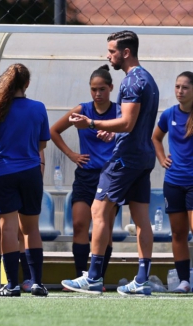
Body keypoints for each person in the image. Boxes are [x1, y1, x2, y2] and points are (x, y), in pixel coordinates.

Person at [62, 30, 159, 296]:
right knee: (141, 218)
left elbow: (127, 122)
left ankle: (93, 277)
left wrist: (91, 123)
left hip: (125, 158)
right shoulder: (148, 79)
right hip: (142, 155)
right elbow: (133, 124)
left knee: (98, 210)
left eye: (112, 51)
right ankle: (141, 280)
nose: (109, 56)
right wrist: (113, 130)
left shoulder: (130, 82)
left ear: (126, 52)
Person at [0, 63, 50, 297]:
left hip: (3, 172)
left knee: (8, 229)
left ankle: (11, 284)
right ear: (27, 84)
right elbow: (42, 144)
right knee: (31, 229)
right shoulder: (38, 108)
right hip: (31, 172)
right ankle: (37, 283)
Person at [50, 65, 117, 288]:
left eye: (102, 89)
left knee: (104, 228)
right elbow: (53, 131)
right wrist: (71, 155)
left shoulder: (119, 112)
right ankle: (81, 275)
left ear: (111, 88)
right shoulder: (83, 109)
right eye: (93, 89)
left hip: (109, 176)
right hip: (86, 175)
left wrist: (115, 137)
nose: (97, 94)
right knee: (80, 224)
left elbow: (132, 135)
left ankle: (98, 277)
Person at [152, 71, 193, 293]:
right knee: (178, 233)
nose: (180, 91)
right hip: (174, 182)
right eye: (177, 87)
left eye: (185, 87)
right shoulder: (169, 114)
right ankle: (184, 281)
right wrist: (161, 158)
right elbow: (155, 137)